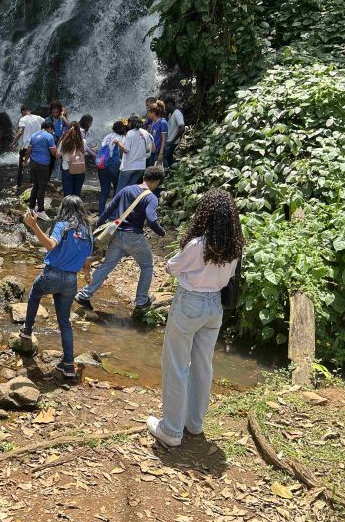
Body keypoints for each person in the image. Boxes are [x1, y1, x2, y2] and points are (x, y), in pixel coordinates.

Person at [147, 189, 244, 447]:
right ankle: (194, 423)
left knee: (176, 365)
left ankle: (171, 430)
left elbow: (171, 267)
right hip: (214, 307)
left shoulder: (197, 244)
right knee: (202, 365)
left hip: (189, 303)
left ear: (205, 214)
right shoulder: (234, 247)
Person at [18, 196, 93, 378]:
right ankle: (68, 366)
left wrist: (33, 225)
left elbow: (50, 245)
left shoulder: (62, 226)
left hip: (52, 274)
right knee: (64, 322)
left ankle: (27, 330)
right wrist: (87, 275)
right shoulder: (87, 232)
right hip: (71, 281)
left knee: (35, 293)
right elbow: (87, 262)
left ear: (63, 209)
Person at [74, 166, 166, 313]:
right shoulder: (151, 198)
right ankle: (141, 300)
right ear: (156, 182)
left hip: (116, 234)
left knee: (107, 265)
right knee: (147, 265)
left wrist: (99, 225)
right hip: (134, 237)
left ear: (143, 177)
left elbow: (109, 208)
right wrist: (161, 233)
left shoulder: (126, 190)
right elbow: (152, 220)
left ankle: (84, 295)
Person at [25, 120, 57, 220]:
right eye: (52, 130)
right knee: (42, 187)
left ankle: (31, 208)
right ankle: (41, 211)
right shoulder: (49, 136)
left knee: (36, 185)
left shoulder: (34, 135)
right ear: (50, 128)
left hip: (33, 163)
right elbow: (53, 152)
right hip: (43, 164)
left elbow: (28, 151)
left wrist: (25, 161)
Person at [97, 120, 127, 215]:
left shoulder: (107, 136)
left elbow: (101, 149)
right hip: (114, 166)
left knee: (104, 190)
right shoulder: (122, 138)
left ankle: (101, 213)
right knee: (117, 189)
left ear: (113, 129)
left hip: (102, 165)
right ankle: (112, 212)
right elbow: (123, 153)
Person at [118, 114, 153, 192]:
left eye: (128, 123)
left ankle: (119, 200)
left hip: (128, 166)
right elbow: (148, 151)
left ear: (131, 123)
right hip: (140, 167)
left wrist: (118, 143)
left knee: (120, 190)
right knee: (130, 190)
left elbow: (126, 150)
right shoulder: (145, 133)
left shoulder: (130, 133)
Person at [12, 106, 44, 186]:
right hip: (36, 145)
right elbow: (45, 123)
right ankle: (33, 182)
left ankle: (19, 184)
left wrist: (14, 143)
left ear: (22, 112)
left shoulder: (23, 119)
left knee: (22, 164)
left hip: (26, 146)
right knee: (34, 164)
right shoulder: (38, 118)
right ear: (30, 110)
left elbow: (20, 132)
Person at [59, 122, 87, 197]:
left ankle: (68, 205)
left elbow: (58, 155)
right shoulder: (83, 141)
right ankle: (76, 205)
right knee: (77, 194)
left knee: (67, 195)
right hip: (80, 169)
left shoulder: (63, 142)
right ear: (79, 130)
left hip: (67, 169)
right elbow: (84, 152)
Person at [48, 100, 70, 182]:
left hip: (59, 144)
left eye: (57, 112)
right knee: (49, 162)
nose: (55, 114)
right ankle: (48, 178)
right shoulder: (47, 119)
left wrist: (64, 118)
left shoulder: (62, 120)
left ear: (60, 111)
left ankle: (56, 179)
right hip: (49, 144)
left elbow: (70, 127)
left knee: (58, 162)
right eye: (53, 112)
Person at [164, 96, 185, 169]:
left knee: (164, 158)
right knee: (169, 159)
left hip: (172, 142)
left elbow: (182, 128)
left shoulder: (177, 113)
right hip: (169, 141)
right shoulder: (171, 114)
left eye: (166, 106)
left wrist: (173, 141)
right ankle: (171, 172)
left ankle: (167, 172)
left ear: (169, 104)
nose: (165, 108)